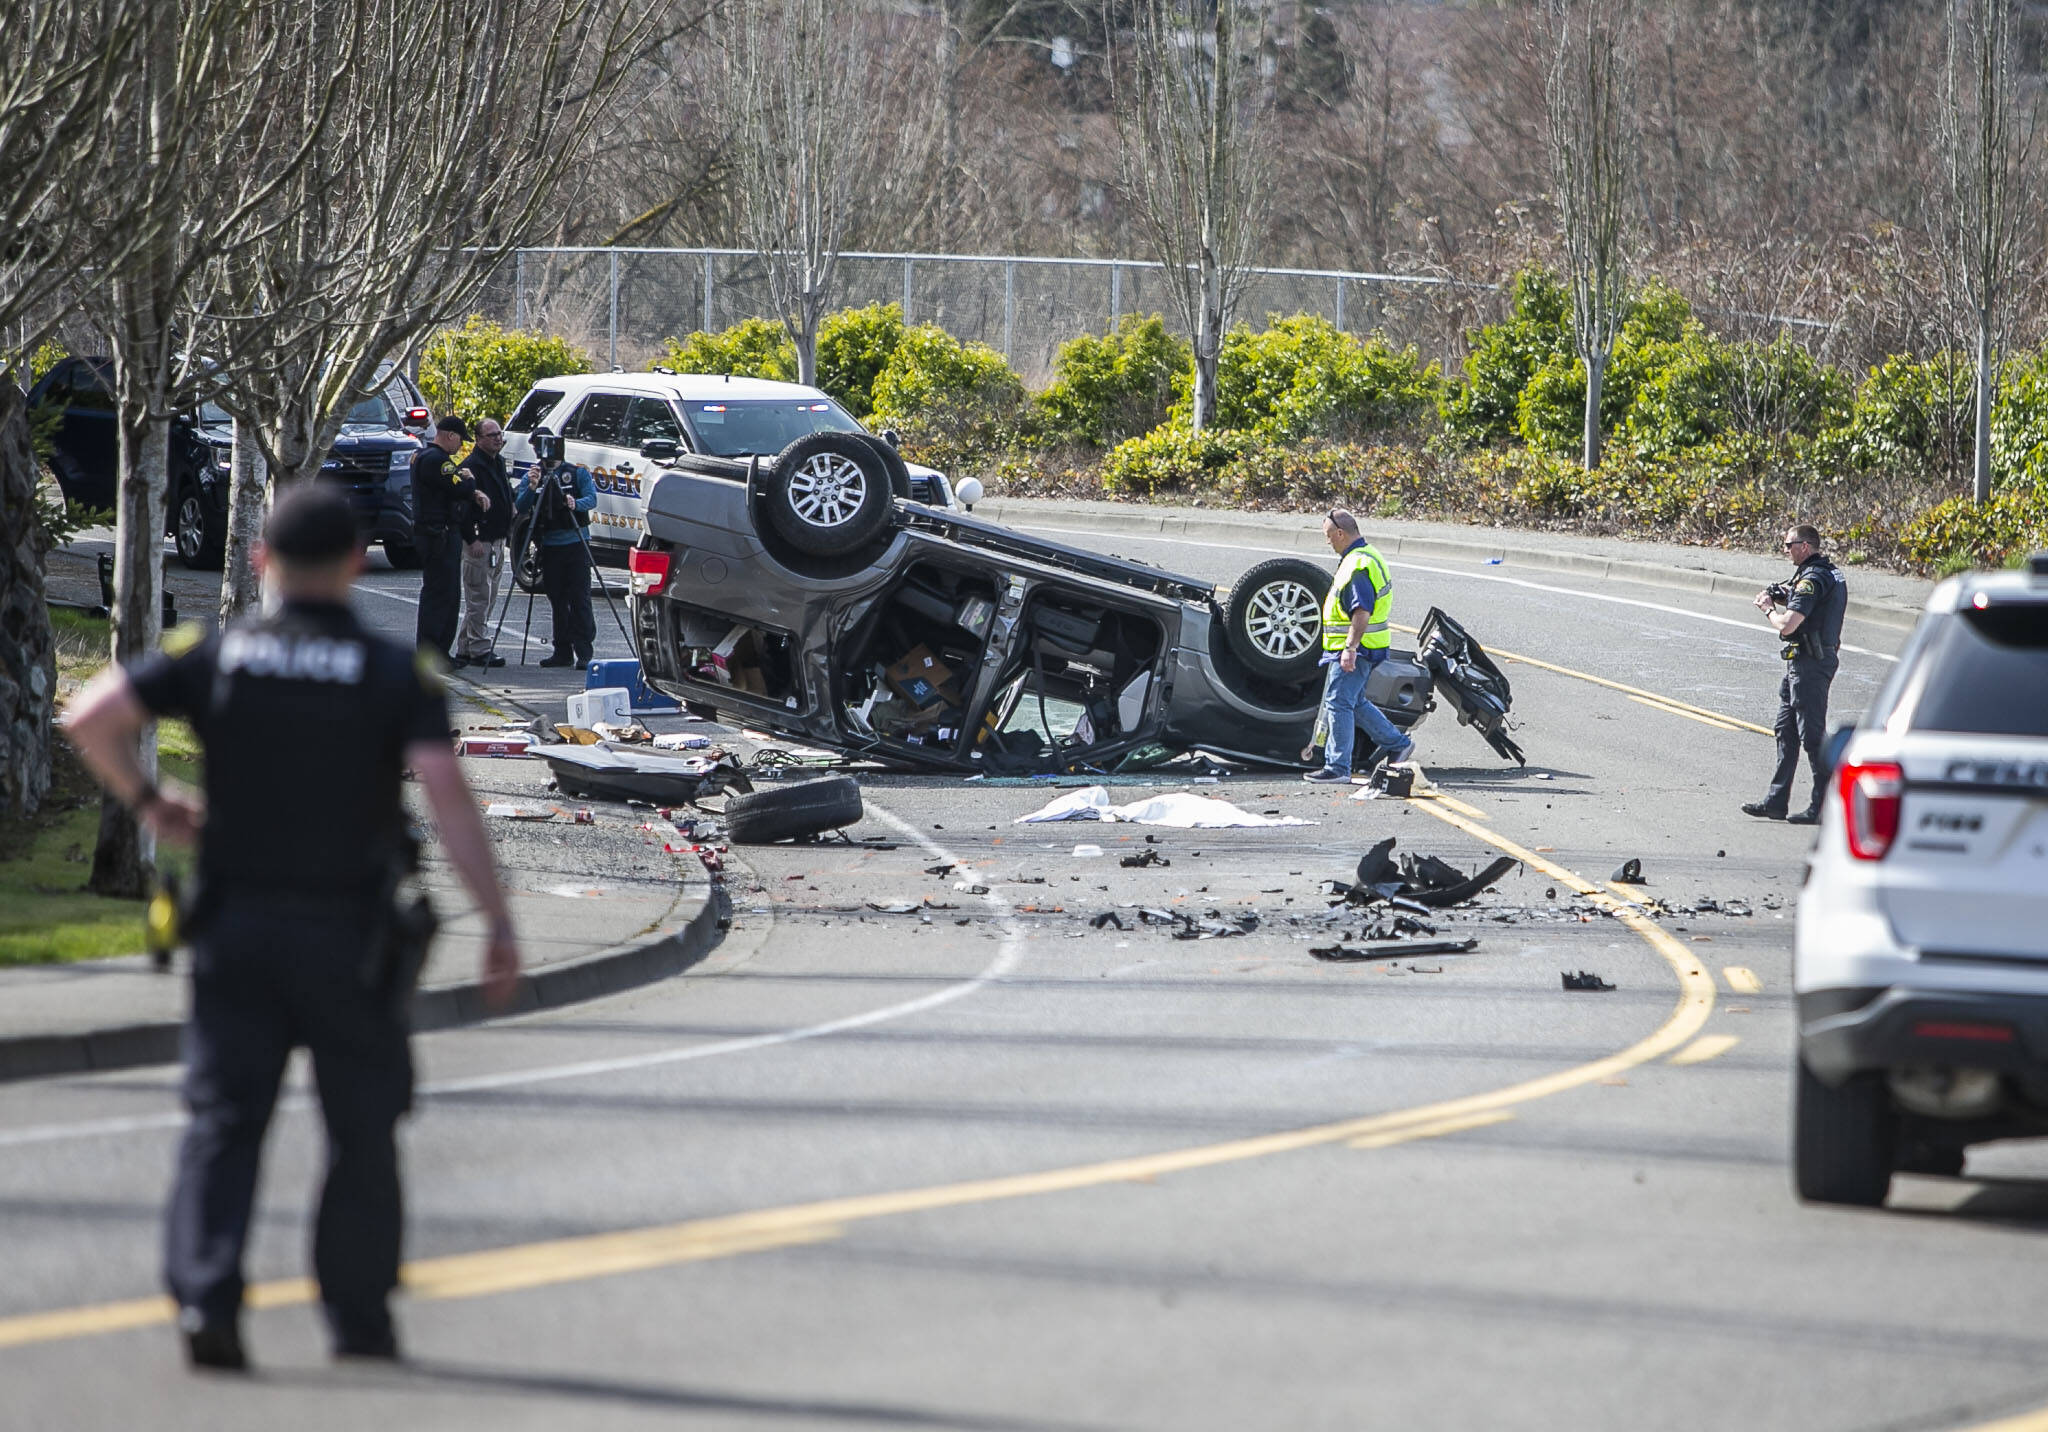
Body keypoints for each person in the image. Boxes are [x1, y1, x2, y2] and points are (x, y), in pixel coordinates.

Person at [64, 483, 521, 1371]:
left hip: (235, 924)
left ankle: (207, 1304)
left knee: (225, 1121)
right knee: (361, 1125)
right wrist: (497, 919)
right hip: (351, 934)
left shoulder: (220, 653)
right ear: (356, 564)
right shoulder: (393, 672)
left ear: (261, 560)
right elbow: (446, 794)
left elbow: (90, 718)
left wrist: (153, 802)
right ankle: (357, 1320)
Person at [1743, 522, 1848, 824]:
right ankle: (1776, 801)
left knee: (1812, 736)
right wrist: (1783, 593)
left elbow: (1788, 625)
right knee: (1785, 730)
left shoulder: (1813, 578)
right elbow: (1808, 601)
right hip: (1802, 662)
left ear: (1804, 546)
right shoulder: (1823, 572)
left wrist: (1767, 608)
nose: (1785, 550)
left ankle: (1823, 805)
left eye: (1789, 545)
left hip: (1810, 665)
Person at [1303, 509, 1415, 784]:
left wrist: (1350, 648)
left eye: (1328, 535)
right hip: (1363, 646)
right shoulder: (1364, 556)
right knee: (1353, 702)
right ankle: (1398, 744)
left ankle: (1337, 767)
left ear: (1340, 533)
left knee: (1338, 702)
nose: (1327, 541)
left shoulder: (1358, 566)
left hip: (1358, 648)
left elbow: (1362, 611)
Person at [513, 426, 597, 669]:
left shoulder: (575, 473)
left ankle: (584, 651)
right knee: (557, 599)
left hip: (575, 542)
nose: (541, 453)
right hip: (549, 545)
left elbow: (591, 499)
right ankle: (562, 651)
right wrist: (531, 486)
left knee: (579, 598)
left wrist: (575, 502)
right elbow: (521, 505)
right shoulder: (534, 475)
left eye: (544, 446)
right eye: (537, 448)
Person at [410, 415, 489, 664]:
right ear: (450, 435)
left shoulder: (424, 457)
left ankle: (439, 652)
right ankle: (433, 653)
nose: (460, 447)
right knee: (441, 596)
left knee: (446, 594)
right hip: (439, 535)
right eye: (459, 441)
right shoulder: (437, 460)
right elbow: (460, 488)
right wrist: (470, 480)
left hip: (438, 534)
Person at [453, 418, 514, 669]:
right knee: (478, 595)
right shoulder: (470, 467)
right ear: (478, 439)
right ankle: (479, 648)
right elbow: (462, 509)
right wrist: (472, 538)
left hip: (498, 540)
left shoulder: (497, 462)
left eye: (499, 434)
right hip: (480, 541)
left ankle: (466, 646)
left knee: (488, 597)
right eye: (491, 435)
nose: (497, 438)